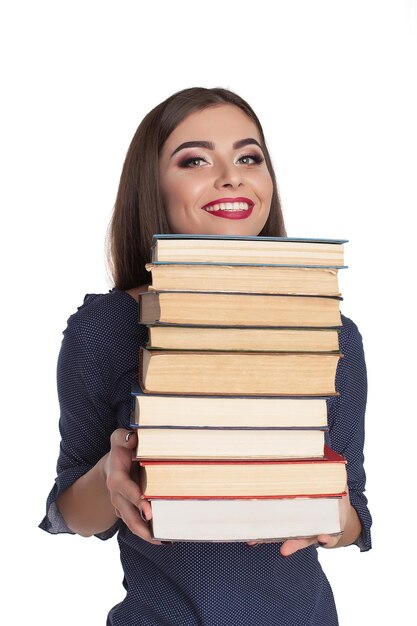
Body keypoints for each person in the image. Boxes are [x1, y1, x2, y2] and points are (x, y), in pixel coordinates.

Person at [40, 87, 372, 626]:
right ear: (155, 187)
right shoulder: (107, 327)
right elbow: (69, 513)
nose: (231, 176)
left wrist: (332, 517)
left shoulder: (333, 334)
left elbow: (353, 515)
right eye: (195, 159)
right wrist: (110, 476)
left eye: (249, 157)